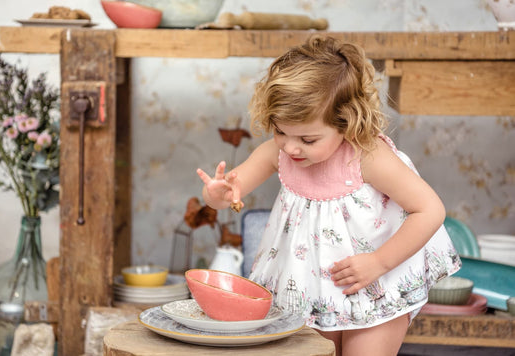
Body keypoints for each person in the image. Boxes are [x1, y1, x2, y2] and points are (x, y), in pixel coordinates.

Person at [196, 35, 461, 356]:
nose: (291, 147)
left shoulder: (367, 156)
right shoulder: (276, 152)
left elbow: (430, 210)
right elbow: (229, 196)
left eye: (308, 139)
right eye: (280, 132)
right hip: (308, 287)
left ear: (346, 123)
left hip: (373, 282)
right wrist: (216, 195)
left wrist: (378, 262)